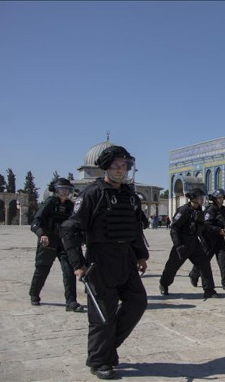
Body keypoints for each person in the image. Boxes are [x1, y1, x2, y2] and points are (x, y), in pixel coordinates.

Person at [60, 146, 149, 380]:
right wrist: (77, 264)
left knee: (138, 302)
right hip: (100, 261)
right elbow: (69, 230)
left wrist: (141, 255)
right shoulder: (92, 194)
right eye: (116, 166)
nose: (121, 170)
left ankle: (107, 349)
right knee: (103, 315)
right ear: (106, 167)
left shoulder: (130, 195)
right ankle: (99, 360)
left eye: (124, 166)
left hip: (126, 260)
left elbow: (135, 227)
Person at [29, 178, 86, 312]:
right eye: (62, 189)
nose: (65, 192)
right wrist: (41, 234)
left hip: (64, 243)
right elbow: (36, 221)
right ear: (55, 190)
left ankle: (71, 301)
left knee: (69, 271)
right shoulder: (49, 203)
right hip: (48, 242)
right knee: (42, 269)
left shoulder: (69, 206)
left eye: (67, 189)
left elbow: (76, 223)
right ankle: (34, 294)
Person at [159, 188, 220, 299]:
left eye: (202, 197)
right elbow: (174, 229)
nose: (202, 199)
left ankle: (209, 290)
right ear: (192, 198)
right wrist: (178, 245)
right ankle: (164, 284)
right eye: (199, 197)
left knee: (204, 264)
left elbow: (202, 227)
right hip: (182, 244)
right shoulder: (183, 210)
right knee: (171, 268)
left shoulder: (200, 210)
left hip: (194, 243)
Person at [189, 189, 225, 289]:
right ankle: (194, 274)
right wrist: (218, 230)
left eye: (222, 197)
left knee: (224, 260)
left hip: (219, 239)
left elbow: (224, 222)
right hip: (208, 240)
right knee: (204, 261)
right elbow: (206, 225)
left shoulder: (222, 210)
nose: (221, 199)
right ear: (215, 199)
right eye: (219, 198)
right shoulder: (211, 209)